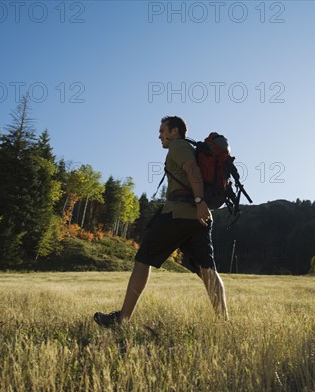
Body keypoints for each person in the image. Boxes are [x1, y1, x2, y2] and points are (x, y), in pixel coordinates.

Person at [94, 116, 229, 327]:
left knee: (143, 260)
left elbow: (192, 170)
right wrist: (200, 205)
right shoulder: (186, 147)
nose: (159, 135)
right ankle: (224, 324)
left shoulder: (178, 146)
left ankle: (122, 320)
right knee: (207, 269)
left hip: (178, 213)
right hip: (196, 218)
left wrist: (200, 200)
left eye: (162, 130)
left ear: (174, 131)